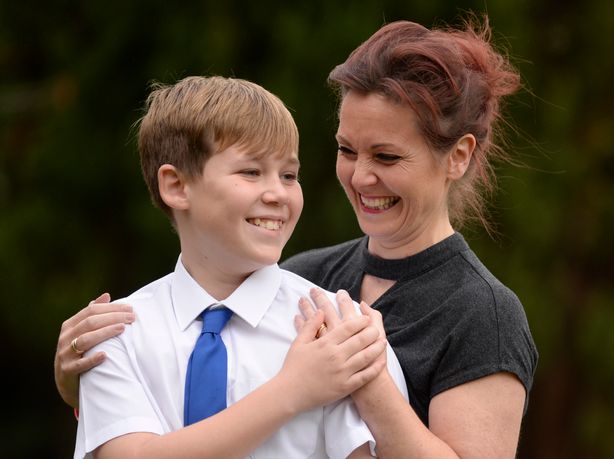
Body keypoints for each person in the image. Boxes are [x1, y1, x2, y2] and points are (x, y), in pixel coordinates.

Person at [57, 16, 538, 458]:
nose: (361, 176)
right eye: (347, 150)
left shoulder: (482, 313)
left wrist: (363, 382)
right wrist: (80, 381)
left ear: (457, 157)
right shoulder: (304, 280)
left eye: (387, 157)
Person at [70, 75, 407, 459]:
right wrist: (292, 390)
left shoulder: (338, 334)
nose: (277, 193)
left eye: (288, 175)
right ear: (177, 186)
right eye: (250, 171)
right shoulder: (117, 335)